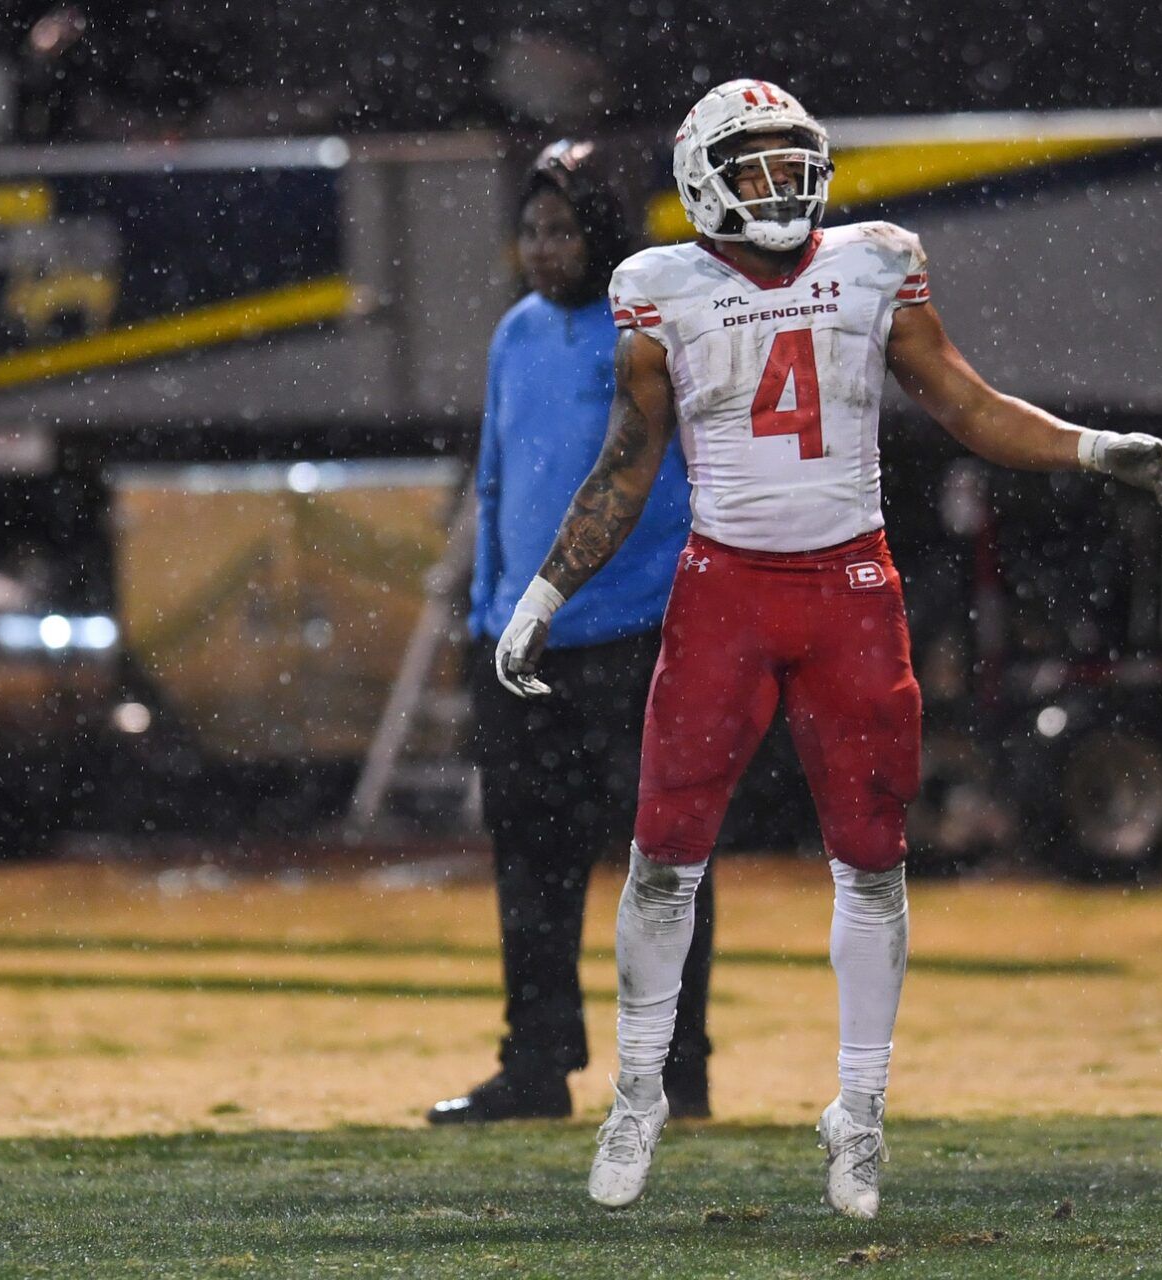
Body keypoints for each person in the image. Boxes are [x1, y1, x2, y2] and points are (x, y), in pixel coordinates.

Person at [494, 82, 1162, 1216]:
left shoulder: (875, 260)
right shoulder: (657, 289)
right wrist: (544, 592)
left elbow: (963, 401)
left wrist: (1089, 446)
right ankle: (637, 1093)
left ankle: (858, 1111)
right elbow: (628, 460)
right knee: (663, 851)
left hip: (851, 586)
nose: (783, 183)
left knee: (872, 856)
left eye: (790, 159)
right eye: (754, 164)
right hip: (724, 590)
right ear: (705, 177)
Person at [430, 140, 716, 1127]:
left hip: (637, 635)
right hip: (526, 647)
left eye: (563, 229)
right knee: (530, 867)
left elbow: (670, 478)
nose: (543, 249)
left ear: (605, 232)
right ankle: (536, 1064)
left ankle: (678, 1071)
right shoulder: (514, 333)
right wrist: (484, 616)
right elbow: (498, 477)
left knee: (661, 862)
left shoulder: (650, 326)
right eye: (531, 230)